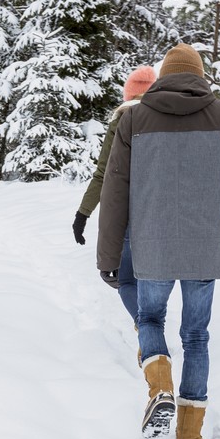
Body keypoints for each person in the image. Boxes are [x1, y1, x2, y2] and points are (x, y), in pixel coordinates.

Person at [96, 43, 220, 439]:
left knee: (149, 318)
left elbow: (115, 192)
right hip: (204, 248)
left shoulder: (133, 119)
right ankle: (189, 436)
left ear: (164, 76)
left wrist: (108, 256)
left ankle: (160, 385)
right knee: (197, 336)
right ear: (199, 76)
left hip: (151, 246)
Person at [72, 65, 158, 322]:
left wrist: (82, 213)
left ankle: (147, 329)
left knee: (127, 279)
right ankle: (152, 329)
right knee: (152, 278)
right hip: (160, 211)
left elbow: (103, 172)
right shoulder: (166, 119)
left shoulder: (121, 120)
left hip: (128, 212)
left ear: (128, 95)